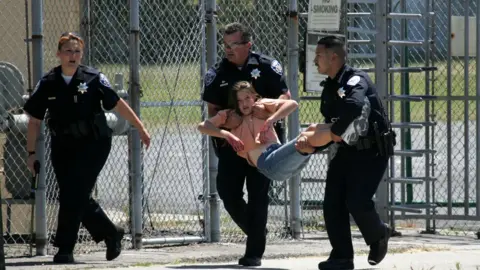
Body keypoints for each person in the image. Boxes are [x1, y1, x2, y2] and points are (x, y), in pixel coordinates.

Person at [23, 32, 151, 264]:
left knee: (75, 192)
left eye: (77, 51)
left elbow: (118, 103)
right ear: (59, 54)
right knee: (72, 194)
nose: (73, 56)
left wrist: (140, 127)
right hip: (62, 144)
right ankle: (111, 233)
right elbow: (34, 120)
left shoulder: (93, 78)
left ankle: (64, 248)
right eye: (68, 51)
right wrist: (31, 154)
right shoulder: (48, 82)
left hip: (94, 144)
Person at [201, 22, 291, 266]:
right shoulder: (217, 73)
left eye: (233, 44)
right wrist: (225, 132)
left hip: (264, 142)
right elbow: (212, 109)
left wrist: (265, 111)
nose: (228, 49)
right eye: (225, 44)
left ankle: (253, 253)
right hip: (233, 144)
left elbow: (286, 97)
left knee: (258, 194)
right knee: (227, 192)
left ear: (247, 45)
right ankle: (256, 231)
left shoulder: (266, 66)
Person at [310, 35, 396, 270]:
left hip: (372, 151)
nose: (314, 60)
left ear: (333, 56)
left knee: (357, 201)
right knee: (332, 203)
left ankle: (378, 234)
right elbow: (333, 122)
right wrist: (312, 145)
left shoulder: (355, 79)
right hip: (347, 151)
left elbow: (354, 105)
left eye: (318, 55)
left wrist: (334, 132)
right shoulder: (329, 86)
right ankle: (342, 257)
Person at [198, 81, 330, 183]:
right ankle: (339, 130)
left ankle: (338, 129)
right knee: (305, 138)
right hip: (268, 163)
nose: (244, 104)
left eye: (247, 98)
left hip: (280, 154)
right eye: (239, 101)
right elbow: (202, 126)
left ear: (254, 97)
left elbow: (292, 104)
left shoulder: (261, 105)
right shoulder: (230, 116)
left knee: (311, 130)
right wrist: (226, 134)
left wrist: (271, 119)